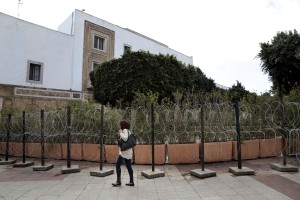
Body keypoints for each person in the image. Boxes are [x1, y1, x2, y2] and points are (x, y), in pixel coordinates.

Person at [112, 120, 134, 187]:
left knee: (117, 165)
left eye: (120, 124)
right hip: (128, 151)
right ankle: (131, 181)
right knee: (128, 166)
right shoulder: (128, 131)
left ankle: (118, 181)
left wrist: (120, 133)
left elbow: (125, 138)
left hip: (125, 152)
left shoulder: (124, 130)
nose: (119, 126)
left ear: (123, 125)